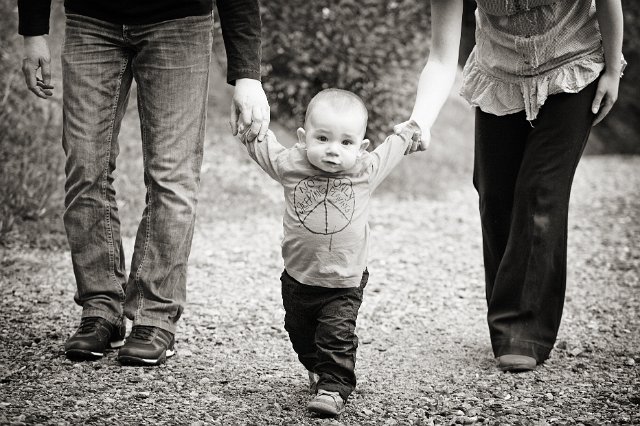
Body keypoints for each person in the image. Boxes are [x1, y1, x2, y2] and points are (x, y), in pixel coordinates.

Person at [18, 0, 270, 366]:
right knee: (85, 166)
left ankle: (155, 317)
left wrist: (248, 73)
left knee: (172, 176)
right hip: (91, 20)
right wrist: (34, 31)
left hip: (179, 22)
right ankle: (101, 310)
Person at [395, 0, 624, 371]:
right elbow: (440, 57)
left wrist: (613, 70)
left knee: (540, 190)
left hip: (572, 65)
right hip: (498, 73)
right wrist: (420, 122)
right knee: (494, 195)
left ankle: (522, 330)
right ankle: (510, 313)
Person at [241, 89, 419, 416]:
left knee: (335, 335)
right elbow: (261, 145)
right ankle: (317, 367)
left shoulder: (365, 169)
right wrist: (246, 124)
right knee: (299, 333)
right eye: (322, 138)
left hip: (345, 282)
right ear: (303, 138)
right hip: (298, 277)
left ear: (362, 148)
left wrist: (411, 133)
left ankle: (334, 386)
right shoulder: (291, 163)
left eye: (346, 143)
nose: (333, 150)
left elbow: (395, 146)